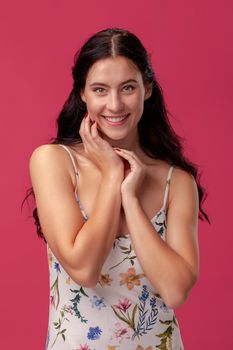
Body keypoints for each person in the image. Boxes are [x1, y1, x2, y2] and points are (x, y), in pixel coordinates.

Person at [28, 27, 209, 349]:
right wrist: (113, 177)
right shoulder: (54, 162)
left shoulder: (175, 181)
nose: (114, 104)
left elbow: (175, 291)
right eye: (100, 89)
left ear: (147, 89)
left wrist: (130, 197)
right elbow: (84, 268)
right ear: (82, 93)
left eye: (127, 88)